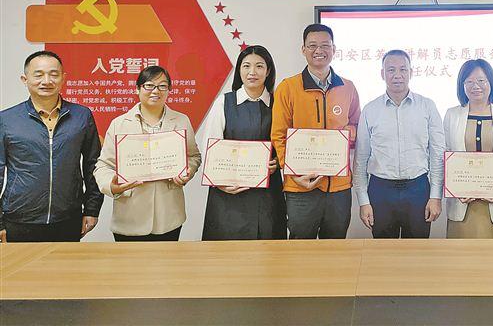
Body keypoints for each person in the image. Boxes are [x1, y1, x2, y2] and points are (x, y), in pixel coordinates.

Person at [0, 51, 103, 242]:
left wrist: (92, 209)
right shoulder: (6, 120)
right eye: (38, 75)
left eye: (53, 74)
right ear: (25, 79)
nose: (46, 81)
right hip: (19, 219)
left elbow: (94, 164)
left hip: (68, 217)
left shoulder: (81, 116)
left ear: (63, 78)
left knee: (66, 263)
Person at [271, 24, 360, 239]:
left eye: (325, 45)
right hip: (300, 186)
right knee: (301, 249)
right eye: (312, 46)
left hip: (338, 187)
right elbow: (279, 135)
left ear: (334, 49)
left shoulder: (348, 87)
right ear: (303, 50)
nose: (319, 50)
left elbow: (357, 126)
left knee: (336, 246)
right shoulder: (288, 87)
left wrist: (346, 133)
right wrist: (293, 173)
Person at [94, 65, 201, 241]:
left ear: (169, 90)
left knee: (167, 260)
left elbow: (193, 156)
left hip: (169, 216)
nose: (156, 91)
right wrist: (112, 186)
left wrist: (187, 171)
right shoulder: (119, 124)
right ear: (138, 89)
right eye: (149, 85)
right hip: (129, 217)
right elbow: (103, 165)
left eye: (162, 86)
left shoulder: (181, 120)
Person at [354, 50, 445, 238]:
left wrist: (435, 196)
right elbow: (361, 159)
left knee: (417, 251)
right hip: (380, 190)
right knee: (384, 252)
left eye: (403, 69)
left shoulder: (427, 106)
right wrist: (363, 201)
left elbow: (437, 154)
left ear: (411, 72)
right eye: (391, 70)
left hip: (418, 188)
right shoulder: (370, 110)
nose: (397, 75)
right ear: (382, 74)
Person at [200, 45, 286, 240]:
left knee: (268, 250)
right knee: (227, 252)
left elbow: (287, 144)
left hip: (268, 195)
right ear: (239, 70)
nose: (252, 72)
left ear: (268, 71)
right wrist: (219, 183)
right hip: (228, 194)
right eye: (246, 66)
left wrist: (278, 161)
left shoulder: (278, 104)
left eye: (259, 66)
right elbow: (210, 147)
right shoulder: (224, 102)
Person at [443, 59, 493, 239]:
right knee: (463, 255)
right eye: (469, 82)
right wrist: (457, 188)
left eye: (481, 80)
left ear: (491, 83)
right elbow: (445, 156)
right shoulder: (451, 115)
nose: (475, 86)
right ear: (462, 85)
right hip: (463, 204)